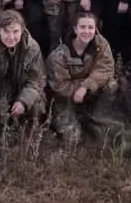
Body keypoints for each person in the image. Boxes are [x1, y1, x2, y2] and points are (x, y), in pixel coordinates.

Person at [46, 11, 122, 146]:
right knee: (73, 140)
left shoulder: (101, 45)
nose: (87, 31)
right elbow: (60, 86)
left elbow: (106, 69)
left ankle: (96, 116)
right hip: (64, 98)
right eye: (82, 27)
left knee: (111, 85)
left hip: (87, 92)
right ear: (75, 29)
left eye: (91, 28)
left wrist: (85, 86)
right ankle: (61, 121)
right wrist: (79, 89)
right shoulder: (59, 56)